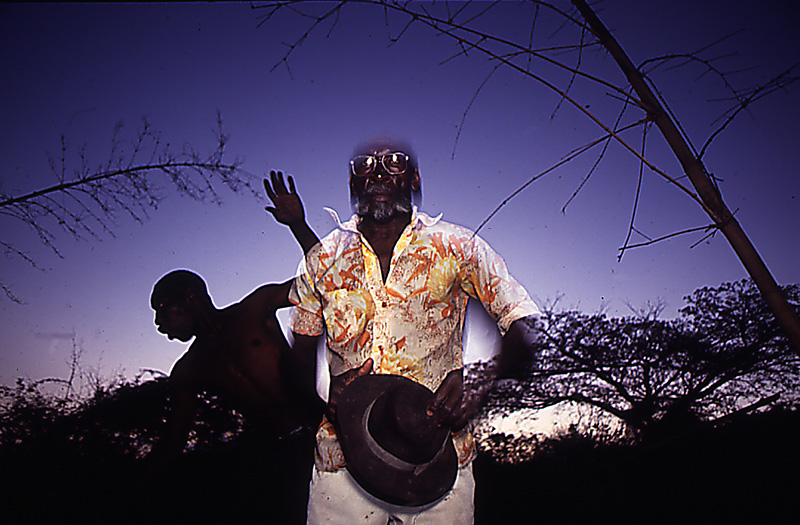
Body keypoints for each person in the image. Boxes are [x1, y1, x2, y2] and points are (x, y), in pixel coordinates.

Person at [284, 139, 543, 524]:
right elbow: (299, 352)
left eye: (394, 162)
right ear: (353, 184)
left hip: (439, 461)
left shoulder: (458, 246)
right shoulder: (322, 259)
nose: (378, 173)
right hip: (341, 465)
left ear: (415, 179)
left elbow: (524, 323)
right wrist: (323, 400)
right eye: (364, 166)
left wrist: (476, 385)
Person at [146, 171, 321, 523]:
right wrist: (131, 494)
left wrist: (297, 225)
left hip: (326, 432)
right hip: (280, 459)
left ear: (190, 297)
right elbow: (172, 441)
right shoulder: (188, 370)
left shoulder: (255, 308)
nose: (158, 323)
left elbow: (325, 280)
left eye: (162, 308)